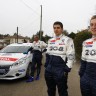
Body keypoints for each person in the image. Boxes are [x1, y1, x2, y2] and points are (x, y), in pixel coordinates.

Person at [44, 21, 75, 96]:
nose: (56, 29)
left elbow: (71, 55)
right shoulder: (50, 40)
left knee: (62, 91)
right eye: (54, 28)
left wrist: (67, 68)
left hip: (60, 69)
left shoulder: (68, 40)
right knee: (50, 90)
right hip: (49, 69)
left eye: (58, 28)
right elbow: (48, 53)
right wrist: (46, 65)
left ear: (62, 29)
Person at [79, 15, 96, 96]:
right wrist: (82, 77)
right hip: (86, 80)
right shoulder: (86, 42)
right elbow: (83, 62)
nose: (94, 27)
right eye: (92, 25)